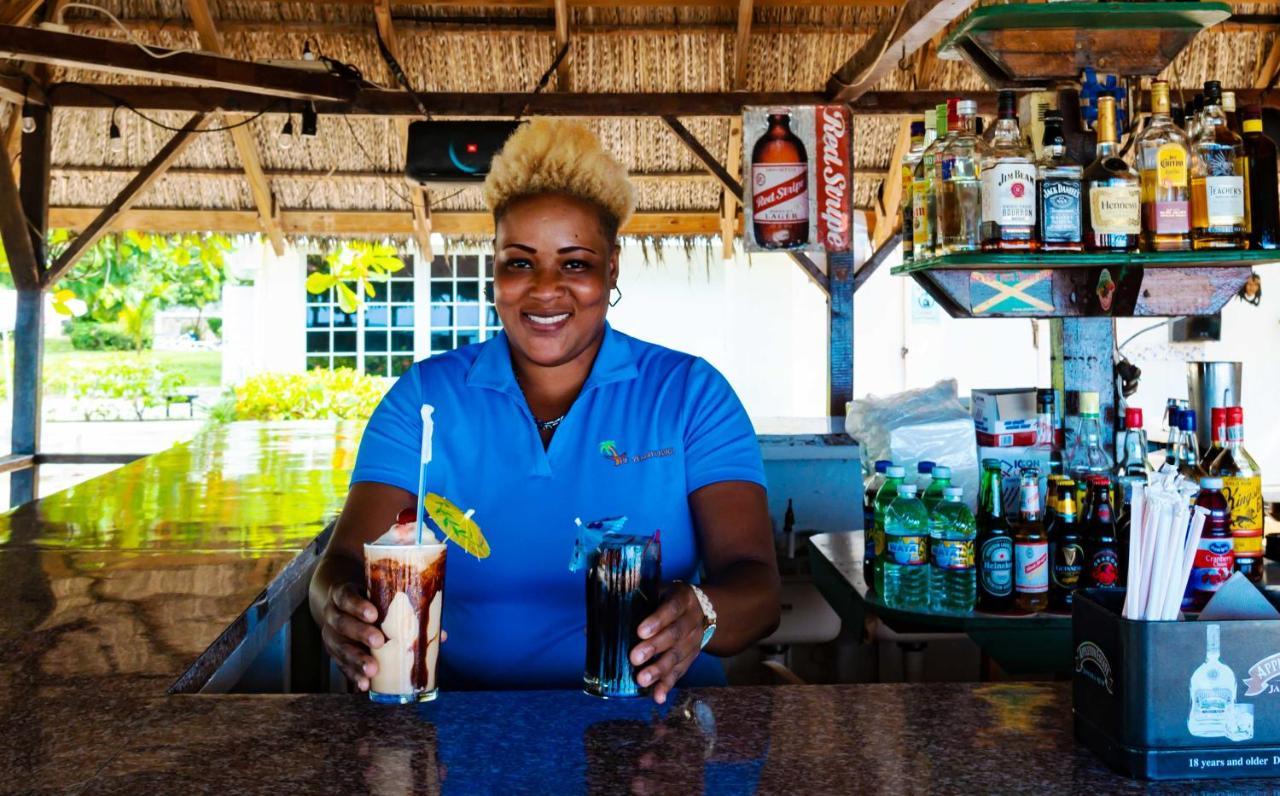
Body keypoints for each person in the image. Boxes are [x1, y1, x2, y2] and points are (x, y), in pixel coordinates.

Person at [309, 118, 780, 704]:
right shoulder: (425, 399)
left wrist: (702, 613)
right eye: (520, 262)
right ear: (495, 272)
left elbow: (758, 591)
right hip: (458, 726)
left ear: (612, 268)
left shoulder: (689, 394)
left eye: (576, 263)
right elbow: (343, 564)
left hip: (652, 727)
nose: (546, 288)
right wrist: (338, 608)